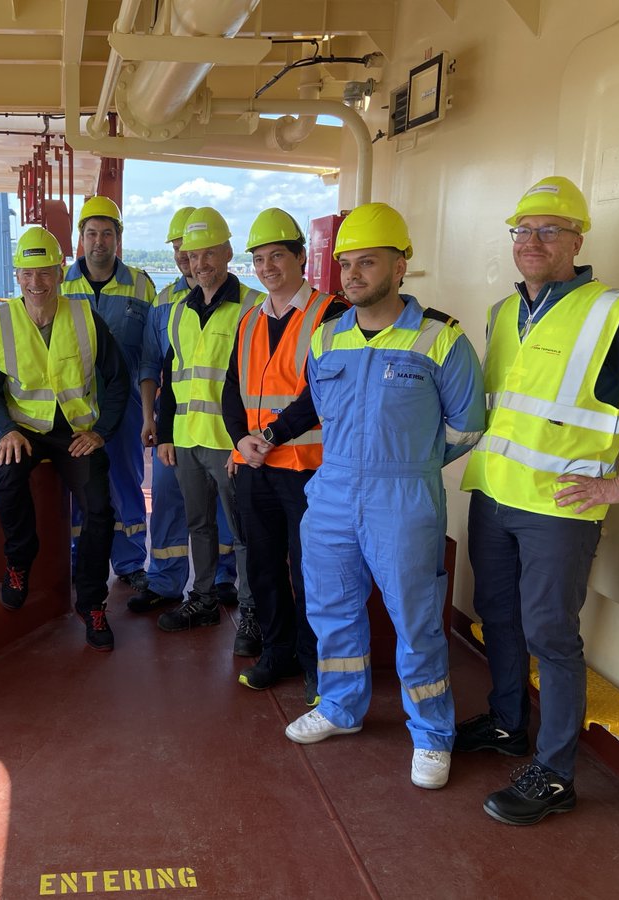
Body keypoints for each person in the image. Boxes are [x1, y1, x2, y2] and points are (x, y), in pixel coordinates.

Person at [458, 176, 619, 824]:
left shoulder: (612, 311)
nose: (532, 242)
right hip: (495, 495)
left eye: (548, 231)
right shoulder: (502, 313)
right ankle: (509, 724)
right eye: (522, 231)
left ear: (576, 240)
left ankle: (556, 774)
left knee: (550, 633)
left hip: (560, 510)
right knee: (496, 613)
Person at [278, 203, 484, 794]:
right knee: (332, 611)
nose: (353, 274)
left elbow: (468, 426)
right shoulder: (327, 339)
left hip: (404, 500)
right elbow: (321, 410)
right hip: (334, 496)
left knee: (417, 622)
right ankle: (341, 707)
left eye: (368, 262)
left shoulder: (441, 340)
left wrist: (413, 467)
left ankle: (431, 735)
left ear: (401, 265)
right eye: (346, 263)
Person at [0, 226, 129, 651]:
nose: (36, 283)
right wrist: (4, 430)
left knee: (99, 508)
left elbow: (118, 380)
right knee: (5, 480)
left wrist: (100, 432)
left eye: (44, 272)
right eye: (27, 274)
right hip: (23, 427)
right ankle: (19, 561)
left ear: (60, 272)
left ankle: (92, 601)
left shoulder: (84, 317)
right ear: (17, 275)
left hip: (74, 432)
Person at [222, 208, 346, 704]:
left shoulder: (329, 314)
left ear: (301, 258)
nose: (268, 265)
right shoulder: (250, 319)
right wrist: (239, 439)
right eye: (259, 258)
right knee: (265, 567)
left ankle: (316, 663)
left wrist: (269, 434)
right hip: (256, 469)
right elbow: (232, 387)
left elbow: (323, 393)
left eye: (278, 255)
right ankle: (277, 652)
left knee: (309, 572)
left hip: (307, 471)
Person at [155, 207, 264, 656]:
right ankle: (200, 598)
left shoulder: (254, 307)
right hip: (188, 439)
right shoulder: (179, 310)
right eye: (192, 255)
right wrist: (164, 434)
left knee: (244, 533)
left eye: (209, 255)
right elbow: (171, 373)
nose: (200, 264)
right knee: (197, 524)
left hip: (231, 444)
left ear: (228, 253)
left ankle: (252, 613)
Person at [133, 206, 239, 613]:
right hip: (178, 427)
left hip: (225, 432)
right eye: (180, 248)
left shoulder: (244, 302)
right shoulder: (166, 303)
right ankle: (166, 580)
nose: (185, 256)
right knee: (170, 502)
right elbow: (154, 365)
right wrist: (152, 422)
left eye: (193, 248)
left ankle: (225, 581)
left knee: (230, 516)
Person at [63, 196, 156, 592]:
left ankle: (131, 559)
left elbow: (154, 346)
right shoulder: (61, 283)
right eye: (91, 233)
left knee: (127, 480)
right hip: (73, 406)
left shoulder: (140, 283)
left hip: (128, 406)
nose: (98, 241)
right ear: (79, 239)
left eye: (106, 233)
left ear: (118, 238)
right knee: (77, 485)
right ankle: (79, 556)